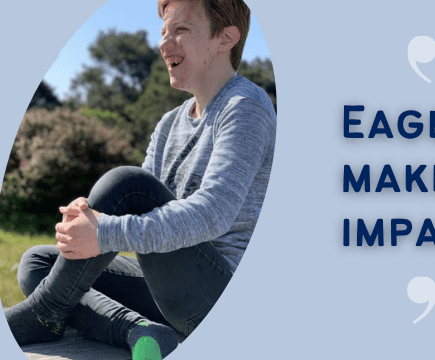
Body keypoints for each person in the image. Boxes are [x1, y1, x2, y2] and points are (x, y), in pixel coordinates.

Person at [4, 0, 276, 359]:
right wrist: (89, 218)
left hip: (216, 295)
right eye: (163, 33)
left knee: (127, 182)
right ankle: (137, 330)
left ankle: (44, 314)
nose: (164, 45)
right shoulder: (169, 124)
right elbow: (132, 207)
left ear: (225, 38)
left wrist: (104, 231)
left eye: (180, 31)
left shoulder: (246, 106)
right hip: (167, 293)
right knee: (39, 262)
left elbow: (213, 213)